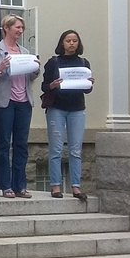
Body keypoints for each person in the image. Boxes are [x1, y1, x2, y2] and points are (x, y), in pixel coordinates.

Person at [0, 15, 40, 198]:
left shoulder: (24, 51)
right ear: (6, 28)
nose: (20, 31)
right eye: (17, 27)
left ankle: (20, 185)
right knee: (3, 143)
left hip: (23, 101)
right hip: (3, 102)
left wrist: (35, 69)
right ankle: (5, 185)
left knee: (21, 144)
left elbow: (29, 78)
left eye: (22, 28)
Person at [41, 30, 92, 201]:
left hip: (77, 108)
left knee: (75, 150)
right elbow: (44, 86)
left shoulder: (83, 62)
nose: (71, 43)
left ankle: (76, 187)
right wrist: (53, 85)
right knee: (56, 148)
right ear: (62, 43)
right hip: (57, 108)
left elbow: (87, 89)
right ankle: (55, 186)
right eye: (68, 40)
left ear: (78, 43)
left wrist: (90, 83)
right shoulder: (54, 62)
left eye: (74, 40)